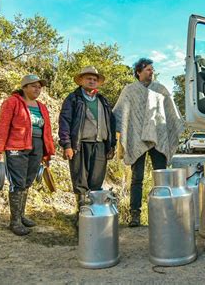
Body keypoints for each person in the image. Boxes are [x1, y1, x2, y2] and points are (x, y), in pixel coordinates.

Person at [113, 58, 184, 227]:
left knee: (161, 177)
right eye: (148, 69)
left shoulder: (161, 89)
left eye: (152, 69)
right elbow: (118, 113)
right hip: (137, 139)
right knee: (137, 178)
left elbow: (171, 114)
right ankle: (135, 214)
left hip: (158, 139)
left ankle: (162, 212)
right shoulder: (129, 91)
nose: (151, 72)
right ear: (138, 72)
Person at [0, 74, 55, 236]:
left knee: (27, 181)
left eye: (39, 87)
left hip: (37, 147)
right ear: (25, 87)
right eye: (34, 86)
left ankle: (21, 215)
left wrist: (47, 152)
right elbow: (3, 127)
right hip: (16, 147)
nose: (37, 89)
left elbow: (46, 131)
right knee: (18, 182)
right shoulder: (12, 102)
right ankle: (15, 221)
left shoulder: (42, 106)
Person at [58, 66, 116, 226]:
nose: (92, 81)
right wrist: (67, 144)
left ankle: (95, 214)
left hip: (100, 145)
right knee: (80, 180)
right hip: (79, 144)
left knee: (96, 181)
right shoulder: (73, 98)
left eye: (94, 79)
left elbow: (111, 123)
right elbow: (64, 122)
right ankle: (82, 216)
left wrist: (111, 144)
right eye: (88, 78)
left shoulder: (103, 100)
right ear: (81, 80)